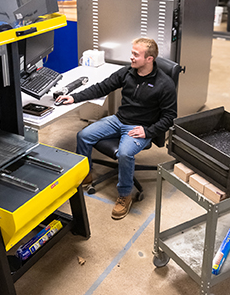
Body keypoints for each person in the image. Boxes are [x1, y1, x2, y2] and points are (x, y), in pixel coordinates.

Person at [56, 38, 177, 220]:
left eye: (136, 54)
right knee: (83, 135)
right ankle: (85, 174)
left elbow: (170, 117)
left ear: (149, 59)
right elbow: (101, 87)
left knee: (125, 153)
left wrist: (148, 132)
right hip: (119, 120)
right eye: (132, 52)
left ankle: (125, 195)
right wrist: (74, 97)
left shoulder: (164, 84)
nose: (131, 57)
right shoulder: (128, 72)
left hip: (139, 127)